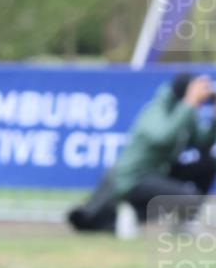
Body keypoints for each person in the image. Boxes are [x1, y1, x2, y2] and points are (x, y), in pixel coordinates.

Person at [68, 73, 215, 233]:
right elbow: (162, 137)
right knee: (188, 198)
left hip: (161, 172)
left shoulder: (186, 111)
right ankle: (125, 213)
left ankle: (182, 223)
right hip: (135, 177)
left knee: (208, 165)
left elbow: (203, 145)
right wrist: (189, 102)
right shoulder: (158, 109)